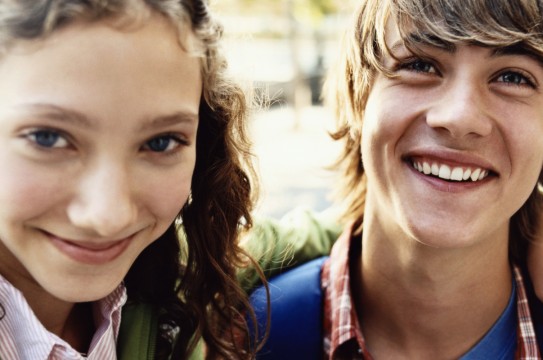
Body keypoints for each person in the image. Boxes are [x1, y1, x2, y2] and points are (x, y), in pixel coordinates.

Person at [249, 0, 543, 358]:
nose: (460, 117)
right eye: (419, 64)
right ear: (359, 97)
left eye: (512, 77)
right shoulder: (241, 338)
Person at [0, 0, 264, 359]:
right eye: (48, 138)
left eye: (161, 142)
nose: (109, 218)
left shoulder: (180, 271)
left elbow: (275, 241)